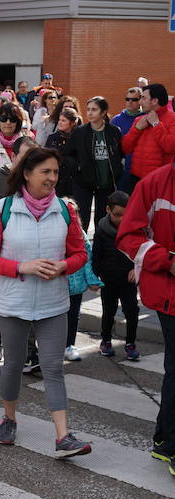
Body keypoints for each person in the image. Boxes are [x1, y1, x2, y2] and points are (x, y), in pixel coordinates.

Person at [0, 147, 92, 458]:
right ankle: (10, 419)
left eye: (56, 172)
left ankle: (63, 436)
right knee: (13, 364)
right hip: (12, 301)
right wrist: (21, 267)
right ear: (27, 174)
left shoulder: (65, 209)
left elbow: (80, 254)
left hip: (53, 302)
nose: (52, 178)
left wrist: (64, 266)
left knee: (54, 368)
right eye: (46, 172)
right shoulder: (2, 209)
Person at [115, 162, 175, 475]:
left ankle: (165, 442)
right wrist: (168, 260)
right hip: (170, 293)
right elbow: (127, 236)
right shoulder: (154, 183)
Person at [92, 191, 140, 360]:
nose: (120, 219)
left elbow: (140, 253)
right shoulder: (101, 231)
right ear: (107, 210)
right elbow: (96, 257)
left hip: (128, 282)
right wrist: (93, 278)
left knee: (132, 312)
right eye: (117, 215)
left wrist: (137, 268)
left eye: (124, 215)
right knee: (108, 312)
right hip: (109, 281)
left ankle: (130, 343)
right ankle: (105, 340)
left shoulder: (134, 230)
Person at [66, 96, 122, 230]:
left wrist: (119, 168)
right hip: (83, 182)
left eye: (94, 110)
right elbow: (68, 154)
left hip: (106, 183)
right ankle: (83, 248)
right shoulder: (79, 131)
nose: (90, 113)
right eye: (88, 109)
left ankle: (100, 248)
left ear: (103, 112)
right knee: (82, 218)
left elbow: (120, 153)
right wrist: (77, 167)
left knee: (102, 220)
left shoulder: (114, 131)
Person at [62, 201, 103, 362]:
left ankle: (69, 345)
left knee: (73, 316)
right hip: (58, 284)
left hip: (76, 285)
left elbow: (87, 259)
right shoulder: (52, 232)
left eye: (75, 212)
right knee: (56, 317)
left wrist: (92, 280)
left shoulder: (80, 234)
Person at [122, 83, 175, 189]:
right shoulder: (139, 120)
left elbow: (170, 147)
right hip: (136, 179)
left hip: (160, 181)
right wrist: (137, 129)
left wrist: (156, 124)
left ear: (155, 101)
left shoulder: (173, 119)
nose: (140, 102)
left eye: (144, 98)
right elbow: (125, 148)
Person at [110, 87, 143, 192]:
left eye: (134, 100)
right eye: (127, 99)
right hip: (122, 171)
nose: (130, 102)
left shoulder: (147, 118)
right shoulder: (116, 120)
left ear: (141, 100)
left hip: (141, 170)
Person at [45, 107, 79, 198]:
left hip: (73, 181)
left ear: (72, 123)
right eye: (59, 120)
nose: (60, 122)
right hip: (56, 179)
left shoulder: (79, 138)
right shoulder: (52, 138)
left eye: (63, 120)